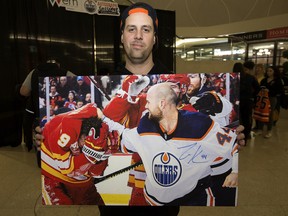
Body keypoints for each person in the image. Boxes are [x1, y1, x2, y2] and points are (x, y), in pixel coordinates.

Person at [100, 83, 242, 206]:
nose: (147, 106)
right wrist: (106, 112)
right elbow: (122, 132)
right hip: (149, 194)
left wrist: (235, 171)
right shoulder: (146, 121)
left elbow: (233, 141)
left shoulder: (198, 120)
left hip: (194, 193)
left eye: (149, 102)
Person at [41, 103, 113, 205]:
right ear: (80, 135)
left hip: (82, 183)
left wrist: (104, 154)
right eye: (85, 143)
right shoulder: (66, 132)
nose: (85, 147)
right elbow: (66, 169)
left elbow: (95, 173)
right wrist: (92, 155)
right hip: (53, 177)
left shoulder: (100, 135)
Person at [257, 66, 285, 138]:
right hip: (263, 98)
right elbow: (260, 87)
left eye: (270, 71)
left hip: (272, 98)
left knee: (270, 113)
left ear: (274, 72)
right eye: (268, 71)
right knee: (261, 112)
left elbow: (280, 91)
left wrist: (270, 91)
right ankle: (260, 129)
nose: (268, 72)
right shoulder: (264, 80)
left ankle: (269, 130)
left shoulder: (277, 80)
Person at [238, 61, 260, 141]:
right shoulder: (250, 77)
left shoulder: (233, 77)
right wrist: (252, 95)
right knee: (247, 119)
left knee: (238, 119)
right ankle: (246, 136)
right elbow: (258, 89)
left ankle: (238, 135)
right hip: (248, 101)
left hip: (236, 102)